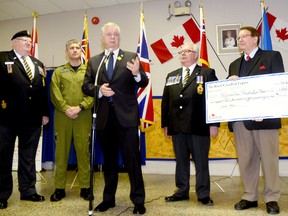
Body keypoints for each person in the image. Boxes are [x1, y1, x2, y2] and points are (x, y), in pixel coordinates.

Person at [82, 22, 148, 215]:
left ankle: (138, 201)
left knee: (132, 160)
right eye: (109, 34)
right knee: (108, 161)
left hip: (126, 117)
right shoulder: (94, 61)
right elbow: (85, 86)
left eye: (116, 35)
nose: (112, 37)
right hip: (104, 118)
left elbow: (143, 81)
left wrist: (136, 73)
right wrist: (99, 91)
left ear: (119, 37)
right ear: (103, 38)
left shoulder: (130, 57)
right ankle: (108, 199)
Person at [228, 26, 284, 214]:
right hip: (240, 121)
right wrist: (230, 83)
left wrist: (267, 111)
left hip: (264, 119)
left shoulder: (271, 57)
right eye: (239, 37)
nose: (240, 39)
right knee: (246, 160)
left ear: (256, 39)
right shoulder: (234, 64)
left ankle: (271, 197)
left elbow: (278, 87)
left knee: (269, 159)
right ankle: (249, 196)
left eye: (244, 36)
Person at [161, 42, 219, 206]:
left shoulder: (207, 73)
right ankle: (181, 191)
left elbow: (213, 100)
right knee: (181, 161)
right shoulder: (172, 75)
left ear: (196, 54)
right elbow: (166, 101)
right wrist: (166, 124)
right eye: (180, 52)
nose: (183, 54)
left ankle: (203, 193)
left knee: (201, 161)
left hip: (198, 126)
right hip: (177, 126)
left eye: (187, 51)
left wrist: (214, 124)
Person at [0, 30, 49, 209]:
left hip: (32, 118)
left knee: (28, 156)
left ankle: (28, 191)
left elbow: (42, 90)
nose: (28, 43)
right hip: (7, 116)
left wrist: (45, 113)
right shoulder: (2, 58)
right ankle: (2, 194)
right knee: (3, 156)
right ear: (14, 42)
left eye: (30, 41)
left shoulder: (38, 63)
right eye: (24, 40)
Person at [50, 39, 94, 202]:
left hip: (83, 115)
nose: (75, 50)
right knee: (61, 153)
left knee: (84, 152)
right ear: (66, 52)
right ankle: (59, 189)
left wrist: (80, 107)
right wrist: (66, 108)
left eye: (77, 48)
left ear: (81, 52)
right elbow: (54, 93)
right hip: (63, 116)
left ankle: (85, 188)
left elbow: (93, 93)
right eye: (71, 48)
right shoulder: (59, 72)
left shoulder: (89, 71)